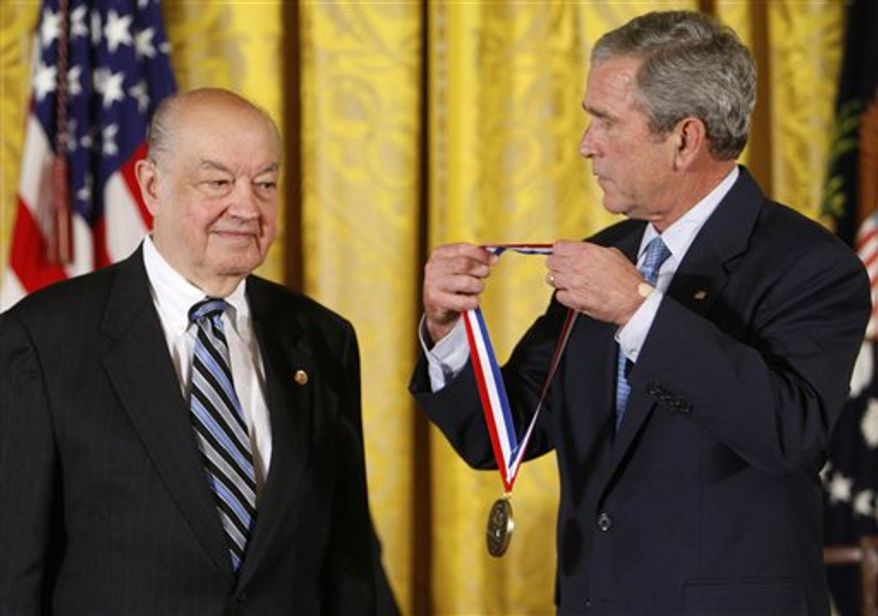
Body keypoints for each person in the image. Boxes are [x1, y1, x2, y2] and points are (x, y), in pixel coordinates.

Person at [410, 11, 871, 615]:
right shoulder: (608, 252)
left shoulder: (810, 264)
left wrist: (636, 309)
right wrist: (448, 330)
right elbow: (503, 436)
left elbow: (789, 434)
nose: (586, 144)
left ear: (684, 139)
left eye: (605, 121)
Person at [0, 88, 395, 614]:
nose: (247, 207)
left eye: (265, 183)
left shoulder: (322, 339)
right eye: (218, 182)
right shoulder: (42, 341)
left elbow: (350, 565)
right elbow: (12, 577)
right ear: (152, 185)